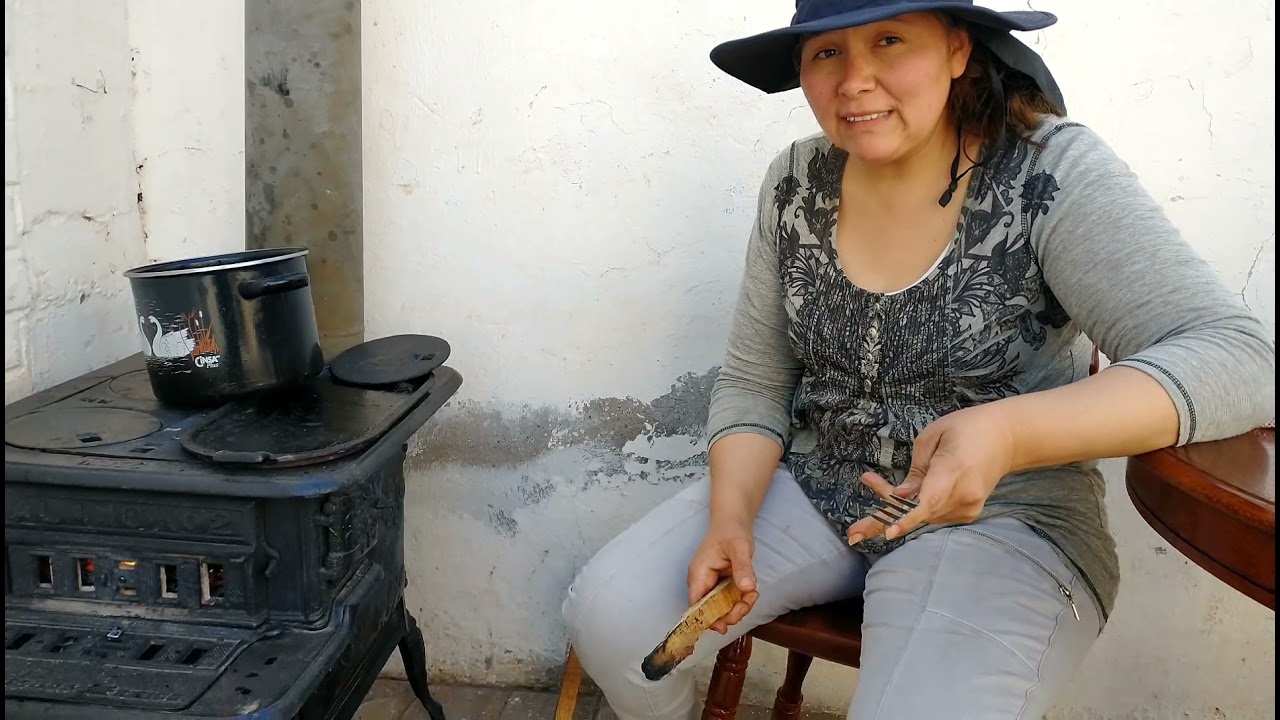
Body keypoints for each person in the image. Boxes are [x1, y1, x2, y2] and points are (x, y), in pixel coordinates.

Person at [562, 0, 1276, 717]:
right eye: (826, 52)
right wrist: (730, 515)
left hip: (1003, 518)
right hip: (819, 488)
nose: (855, 80)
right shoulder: (797, 179)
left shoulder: (1047, 174)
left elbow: (1239, 357)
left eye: (890, 39)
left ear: (958, 49)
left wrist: (1006, 432)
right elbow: (756, 378)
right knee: (612, 620)